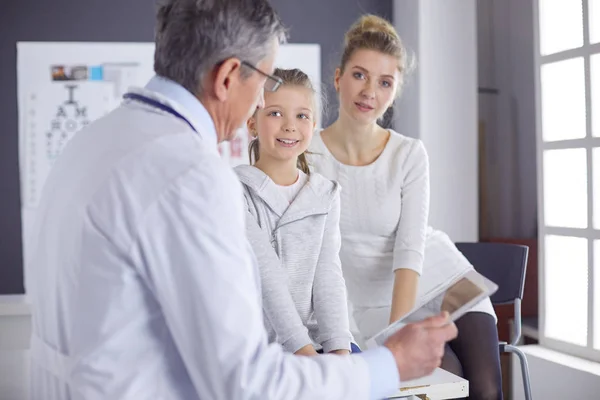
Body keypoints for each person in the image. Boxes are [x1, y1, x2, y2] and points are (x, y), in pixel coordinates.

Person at [27, 2, 457, 400]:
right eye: (266, 83)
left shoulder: (92, 140)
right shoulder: (190, 176)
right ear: (228, 77)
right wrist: (389, 365)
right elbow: (248, 381)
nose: (262, 101)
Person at [308, 14, 503, 400]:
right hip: (358, 304)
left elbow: (410, 252)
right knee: (444, 377)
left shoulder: (409, 154)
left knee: (483, 388)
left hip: (437, 281)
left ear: (394, 92)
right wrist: (391, 346)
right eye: (359, 75)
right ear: (337, 78)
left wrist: (399, 334)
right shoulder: (307, 154)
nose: (370, 92)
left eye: (385, 82)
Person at [236, 68, 354, 357]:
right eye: (275, 113)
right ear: (252, 123)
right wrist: (308, 358)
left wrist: (339, 351)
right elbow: (267, 277)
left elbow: (328, 275)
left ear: (313, 125)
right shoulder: (234, 190)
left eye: (302, 116)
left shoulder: (325, 194)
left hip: (317, 345)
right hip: (260, 350)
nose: (290, 126)